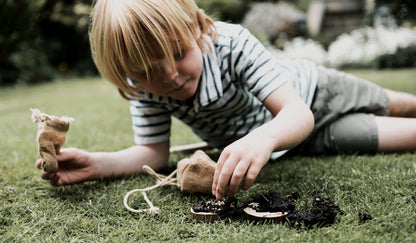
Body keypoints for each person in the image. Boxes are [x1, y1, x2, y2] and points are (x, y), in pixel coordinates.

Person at [37, 0, 416, 200]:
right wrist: (98, 164)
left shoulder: (230, 44)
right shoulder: (146, 88)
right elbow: (152, 153)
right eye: (150, 70)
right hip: (302, 140)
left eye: (178, 52)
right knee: (402, 135)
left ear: (196, 26)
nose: (169, 75)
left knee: (395, 103)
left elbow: (296, 112)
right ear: (130, 73)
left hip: (317, 93)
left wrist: (262, 138)